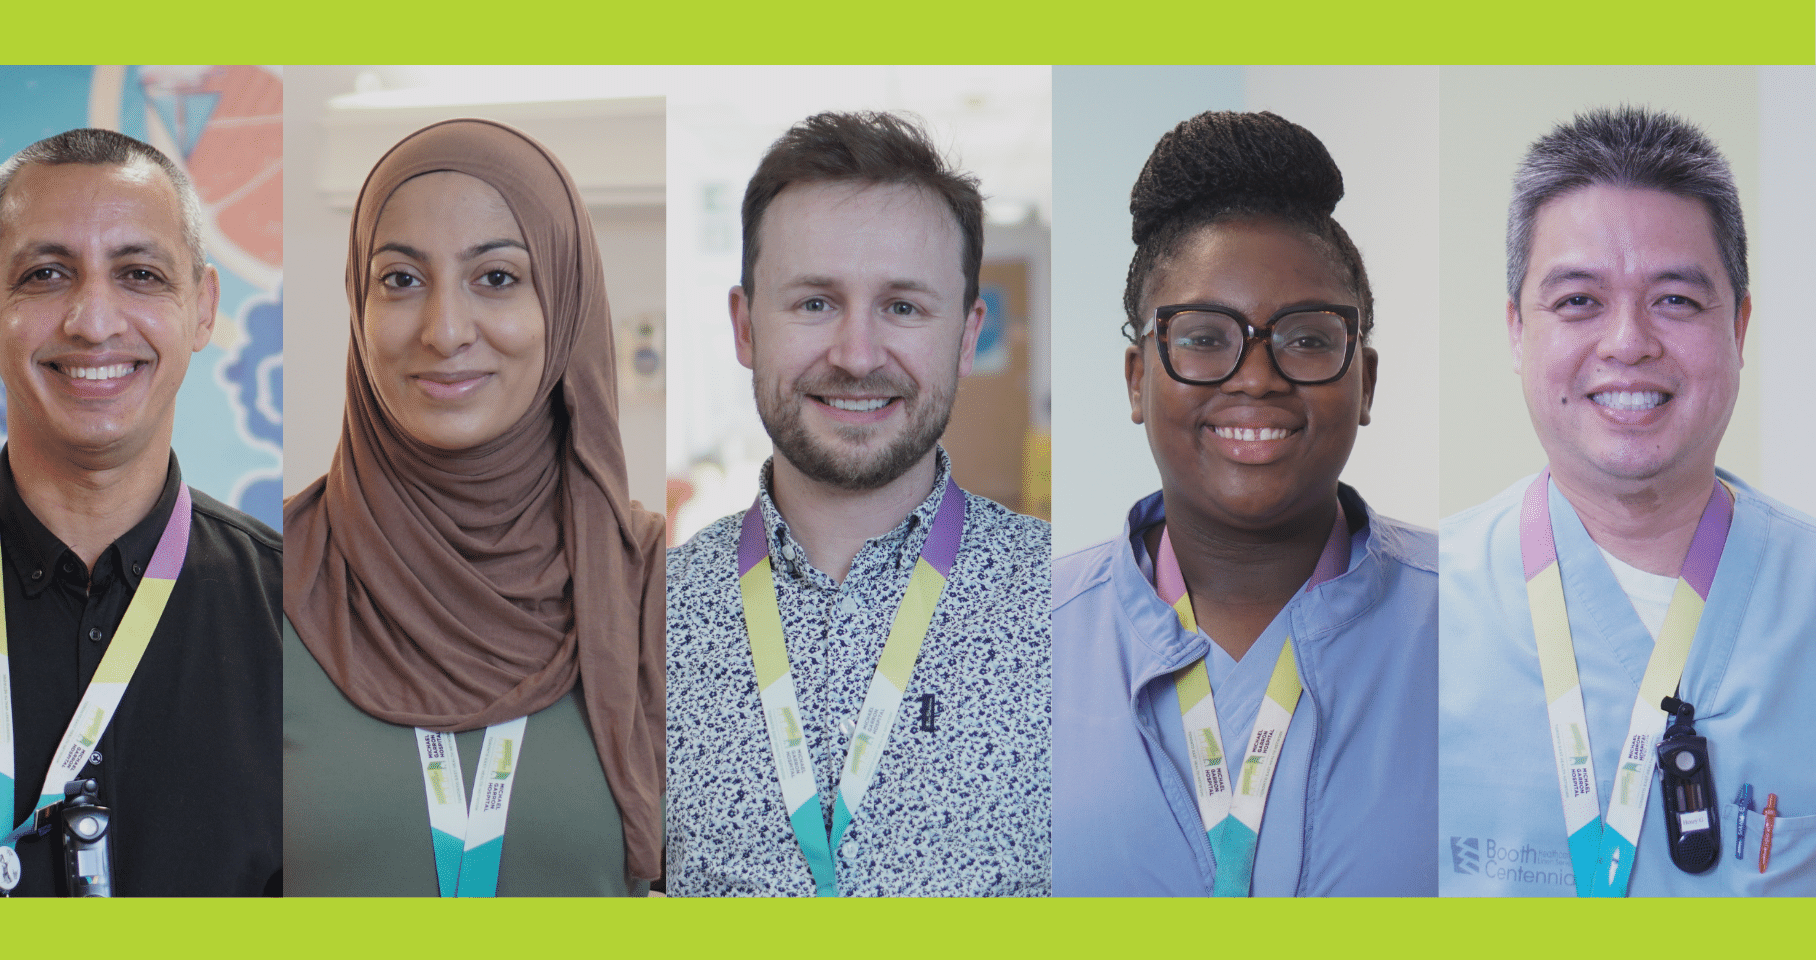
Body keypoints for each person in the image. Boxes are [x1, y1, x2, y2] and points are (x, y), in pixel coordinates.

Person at [1051, 111, 1438, 896]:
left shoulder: (1482, 624)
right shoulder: (1023, 641)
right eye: (1202, 337)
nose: (1256, 377)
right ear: (1136, 378)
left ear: (1365, 379)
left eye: (1305, 337)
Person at [665, 111, 1050, 896]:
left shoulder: (1069, 609)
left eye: (903, 307)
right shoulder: (646, 623)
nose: (857, 354)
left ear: (968, 334)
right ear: (745, 327)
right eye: (814, 304)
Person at [282, 119, 664, 897]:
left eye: (496, 278)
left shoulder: (660, 586)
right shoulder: (263, 581)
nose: (445, 330)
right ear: (357, 303)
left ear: (564, 302)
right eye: (400, 279)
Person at [1440, 107, 1816, 896]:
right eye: (1578, 301)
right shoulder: (1410, 614)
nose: (1627, 343)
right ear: (1516, 331)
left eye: (1676, 300)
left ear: (1740, 327)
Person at [0, 128, 280, 896]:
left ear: (202, 309)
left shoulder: (303, 616)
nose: (94, 321)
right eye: (45, 274)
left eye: (139, 273)